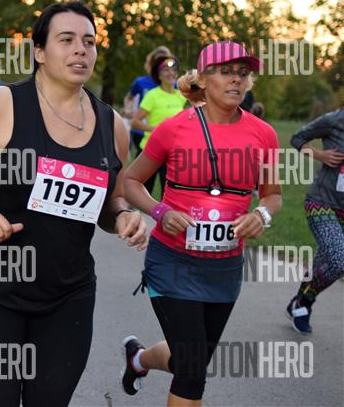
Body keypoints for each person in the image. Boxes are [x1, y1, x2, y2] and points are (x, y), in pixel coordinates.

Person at [0, 1, 148, 407]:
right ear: (40, 52)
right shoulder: (0, 105)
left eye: (89, 42)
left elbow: (110, 199)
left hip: (68, 294)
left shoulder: (111, 124)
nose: (80, 49)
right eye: (67, 40)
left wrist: (122, 217)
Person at [120, 41, 281, 406]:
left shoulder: (264, 134)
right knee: (192, 372)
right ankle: (141, 360)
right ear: (204, 79)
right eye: (226, 72)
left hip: (224, 269)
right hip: (173, 263)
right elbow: (130, 181)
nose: (236, 80)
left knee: (190, 362)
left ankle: (138, 359)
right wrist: (160, 212)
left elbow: (272, 195)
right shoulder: (173, 129)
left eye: (243, 73)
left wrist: (261, 214)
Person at [286, 108, 343, 334]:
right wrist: (320, 155)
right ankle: (305, 301)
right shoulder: (335, 120)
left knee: (324, 264)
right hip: (322, 203)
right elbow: (297, 138)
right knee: (338, 260)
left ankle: (300, 303)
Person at [130, 54, 187, 198]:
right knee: (142, 192)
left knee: (168, 193)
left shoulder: (180, 96)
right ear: (159, 75)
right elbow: (135, 122)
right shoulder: (152, 95)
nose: (171, 73)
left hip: (171, 153)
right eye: (166, 70)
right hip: (150, 150)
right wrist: (158, 129)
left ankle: (163, 213)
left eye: (174, 70)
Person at [123, 46, 172, 155]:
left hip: (164, 133)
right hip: (141, 131)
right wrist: (128, 109)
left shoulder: (173, 84)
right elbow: (129, 98)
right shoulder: (140, 82)